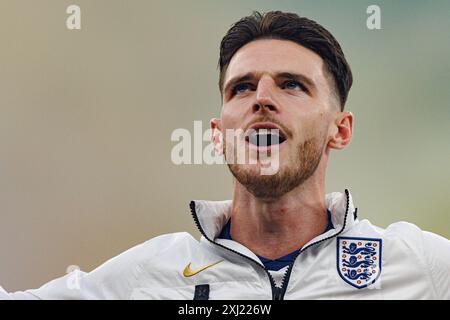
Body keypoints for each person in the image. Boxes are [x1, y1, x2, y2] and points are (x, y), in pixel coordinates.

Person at [1, 10, 449, 300]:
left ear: (341, 129)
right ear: (217, 134)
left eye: (292, 84)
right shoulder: (150, 274)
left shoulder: (417, 264)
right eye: (242, 87)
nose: (263, 99)